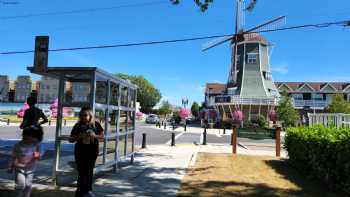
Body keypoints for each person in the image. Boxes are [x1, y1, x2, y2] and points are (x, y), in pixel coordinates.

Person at [69, 107, 104, 197]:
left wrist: (94, 135)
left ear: (90, 116)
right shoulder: (77, 125)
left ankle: (88, 190)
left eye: (85, 115)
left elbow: (102, 136)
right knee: (81, 172)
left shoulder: (96, 124)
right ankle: (80, 192)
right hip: (80, 152)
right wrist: (79, 136)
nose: (82, 117)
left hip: (92, 151)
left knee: (89, 171)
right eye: (81, 115)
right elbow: (71, 139)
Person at [8, 126, 42, 197]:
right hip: (19, 169)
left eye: (29, 138)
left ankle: (27, 195)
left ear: (33, 137)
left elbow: (39, 156)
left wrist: (38, 156)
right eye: (24, 138)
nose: (26, 140)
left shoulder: (36, 145)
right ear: (22, 136)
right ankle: (18, 195)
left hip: (31, 170)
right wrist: (10, 166)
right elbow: (13, 156)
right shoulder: (18, 145)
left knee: (28, 184)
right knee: (20, 185)